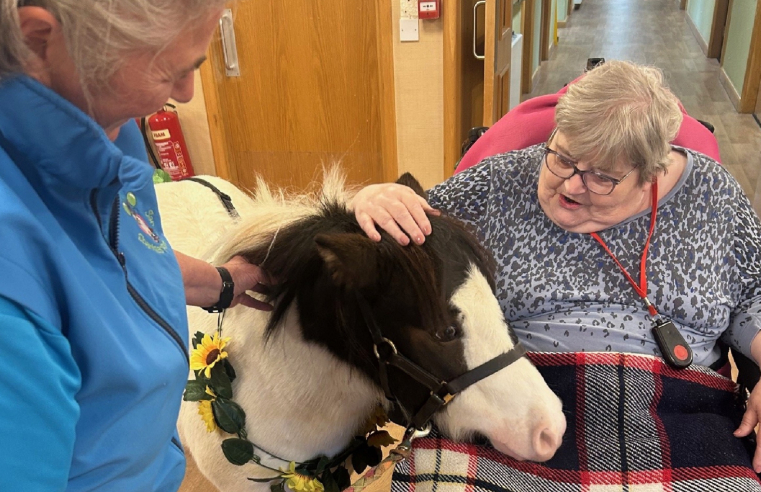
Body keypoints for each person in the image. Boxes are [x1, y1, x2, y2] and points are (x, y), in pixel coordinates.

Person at [352, 60, 761, 471]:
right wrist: (369, 201)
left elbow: (752, 297)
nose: (569, 184)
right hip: (513, 404)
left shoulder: (714, 195)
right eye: (562, 158)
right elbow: (407, 233)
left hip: (677, 415)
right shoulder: (500, 183)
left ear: (651, 174)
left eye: (601, 176)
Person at [0, 1, 270, 490]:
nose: (187, 94)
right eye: (170, 70)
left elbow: (120, 263)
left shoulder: (107, 135)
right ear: (41, 40)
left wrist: (224, 282)